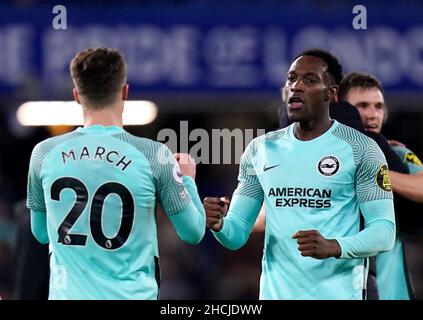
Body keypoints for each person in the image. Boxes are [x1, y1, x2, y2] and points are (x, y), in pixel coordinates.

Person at [204, 49, 396, 300]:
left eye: (310, 80)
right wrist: (219, 224)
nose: (296, 86)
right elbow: (236, 234)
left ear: (332, 93)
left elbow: (384, 232)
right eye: (291, 78)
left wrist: (335, 246)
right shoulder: (260, 150)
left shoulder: (361, 149)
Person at [26, 47, 206, 300]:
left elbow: (41, 232)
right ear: (124, 92)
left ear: (77, 95)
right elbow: (193, 232)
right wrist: (187, 178)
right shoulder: (154, 155)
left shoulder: (44, 154)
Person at [338, 71, 423, 300]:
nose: (372, 114)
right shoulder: (328, 159)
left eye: (378, 106)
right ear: (343, 109)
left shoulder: (397, 152)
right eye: (362, 105)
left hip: (392, 292)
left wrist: (376, 171)